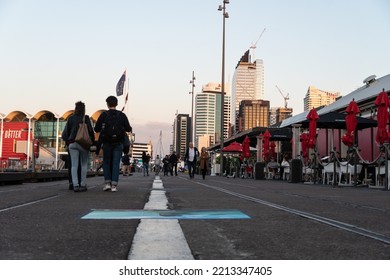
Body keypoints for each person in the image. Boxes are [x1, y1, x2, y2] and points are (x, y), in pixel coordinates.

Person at [94, 96, 132, 192]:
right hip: (118, 143)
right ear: (117, 104)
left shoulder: (104, 115)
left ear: (107, 104)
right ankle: (114, 185)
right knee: (116, 163)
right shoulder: (121, 115)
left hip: (107, 142)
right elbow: (128, 128)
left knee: (106, 162)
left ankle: (107, 183)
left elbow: (96, 129)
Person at [62, 101, 95, 192]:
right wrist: (92, 142)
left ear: (75, 109)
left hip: (72, 144)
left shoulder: (71, 118)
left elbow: (65, 133)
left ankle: (75, 185)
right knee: (84, 164)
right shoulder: (86, 118)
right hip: (83, 144)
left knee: (74, 165)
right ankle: (83, 184)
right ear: (84, 109)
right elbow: (91, 132)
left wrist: (67, 141)